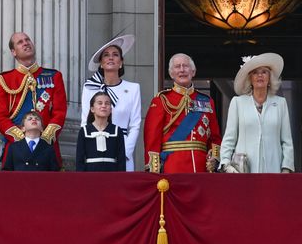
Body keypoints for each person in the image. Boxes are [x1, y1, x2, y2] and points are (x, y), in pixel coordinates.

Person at [0, 32, 67, 168]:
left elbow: (60, 112)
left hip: (47, 148)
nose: (26, 43)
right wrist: (23, 139)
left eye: (27, 40)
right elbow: (0, 117)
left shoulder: (54, 76)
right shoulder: (3, 80)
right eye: (20, 42)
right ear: (13, 52)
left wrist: (44, 138)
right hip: (16, 149)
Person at [144, 53, 221, 173]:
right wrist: (154, 169)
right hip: (172, 165)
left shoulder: (206, 101)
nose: (182, 70)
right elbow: (152, 136)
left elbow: (215, 136)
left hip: (201, 166)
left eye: (185, 66)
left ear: (193, 71)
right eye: (177, 66)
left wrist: (215, 158)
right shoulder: (161, 100)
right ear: (171, 74)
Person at [220, 53, 294, 173]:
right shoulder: (238, 103)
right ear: (249, 78)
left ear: (270, 77)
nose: (260, 75)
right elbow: (229, 138)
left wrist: (286, 169)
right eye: (255, 72)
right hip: (243, 172)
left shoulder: (281, 103)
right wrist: (226, 164)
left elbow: (287, 141)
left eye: (264, 72)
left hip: (273, 171)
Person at [81, 34, 141, 171]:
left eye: (115, 55)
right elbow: (85, 122)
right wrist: (88, 150)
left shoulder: (133, 88)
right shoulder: (90, 87)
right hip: (96, 147)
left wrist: (126, 152)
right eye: (106, 55)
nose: (111, 57)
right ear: (101, 63)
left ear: (121, 62)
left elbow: (135, 124)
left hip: (123, 145)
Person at [76, 92, 126, 172]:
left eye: (107, 103)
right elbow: (79, 160)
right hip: (90, 175)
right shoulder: (84, 131)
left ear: (110, 109)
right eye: (100, 103)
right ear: (92, 109)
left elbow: (121, 160)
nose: (103, 106)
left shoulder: (117, 131)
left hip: (112, 175)